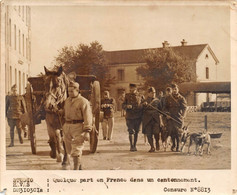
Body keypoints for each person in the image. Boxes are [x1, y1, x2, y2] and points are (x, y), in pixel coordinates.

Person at [62, 81, 93, 170]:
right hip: (67, 126)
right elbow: (65, 112)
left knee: (76, 149)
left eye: (72, 91)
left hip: (79, 127)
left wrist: (87, 131)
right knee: (69, 149)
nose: (70, 93)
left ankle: (75, 172)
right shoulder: (67, 101)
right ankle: (79, 167)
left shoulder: (83, 101)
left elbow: (88, 117)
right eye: (68, 91)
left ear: (78, 90)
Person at [165, 83, 187, 152]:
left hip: (178, 117)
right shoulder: (168, 98)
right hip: (170, 117)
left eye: (175, 89)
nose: (174, 91)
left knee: (178, 133)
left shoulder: (181, 98)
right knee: (171, 132)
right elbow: (165, 107)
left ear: (178, 89)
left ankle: (178, 146)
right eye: (173, 89)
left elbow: (184, 108)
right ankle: (173, 144)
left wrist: (183, 115)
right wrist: (167, 114)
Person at [122, 83, 144, 151]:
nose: (131, 90)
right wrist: (126, 106)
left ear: (135, 89)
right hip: (129, 116)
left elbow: (144, 105)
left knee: (136, 132)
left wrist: (143, 105)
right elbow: (123, 105)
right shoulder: (127, 96)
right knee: (131, 131)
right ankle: (131, 146)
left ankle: (134, 145)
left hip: (138, 116)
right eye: (130, 88)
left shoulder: (141, 96)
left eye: (132, 88)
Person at [142, 87, 163, 152]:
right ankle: (152, 147)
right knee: (149, 134)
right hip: (147, 120)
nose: (153, 94)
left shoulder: (158, 101)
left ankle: (157, 142)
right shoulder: (144, 101)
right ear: (148, 93)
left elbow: (161, 110)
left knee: (156, 132)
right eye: (152, 93)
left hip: (155, 119)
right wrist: (143, 105)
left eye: (154, 93)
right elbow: (141, 110)